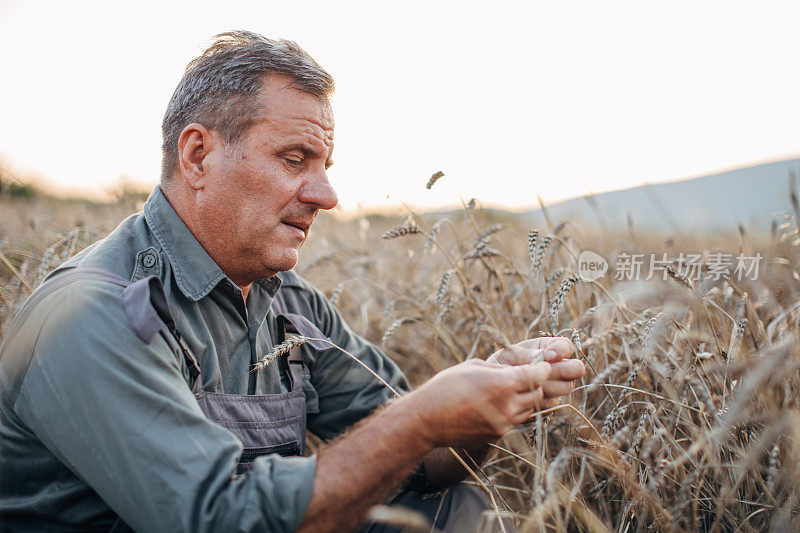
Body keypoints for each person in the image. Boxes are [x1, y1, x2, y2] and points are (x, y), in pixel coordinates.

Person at [0, 31, 586, 532]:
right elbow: (216, 522)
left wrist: (492, 398)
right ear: (198, 157)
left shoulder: (290, 307)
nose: (326, 196)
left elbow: (420, 461)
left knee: (451, 508)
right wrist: (421, 417)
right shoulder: (94, 314)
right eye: (294, 159)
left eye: (325, 167)